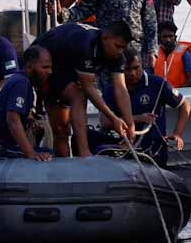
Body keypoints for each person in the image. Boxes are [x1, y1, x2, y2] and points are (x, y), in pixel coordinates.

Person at [32, 20, 134, 158]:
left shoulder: (117, 55)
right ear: (105, 38)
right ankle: (84, 152)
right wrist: (113, 118)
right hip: (47, 61)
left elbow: (121, 89)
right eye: (117, 46)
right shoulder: (87, 45)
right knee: (75, 101)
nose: (119, 52)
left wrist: (130, 123)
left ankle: (78, 155)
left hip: (67, 65)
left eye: (123, 48)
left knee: (64, 129)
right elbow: (88, 88)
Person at [101, 51, 190, 163]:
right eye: (127, 69)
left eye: (136, 68)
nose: (132, 73)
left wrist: (178, 133)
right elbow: (104, 122)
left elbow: (184, 105)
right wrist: (138, 118)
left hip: (155, 152)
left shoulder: (157, 84)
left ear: (142, 65)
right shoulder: (111, 90)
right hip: (124, 152)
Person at [152, 21, 191, 88]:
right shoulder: (154, 54)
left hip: (180, 93)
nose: (168, 40)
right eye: (165, 37)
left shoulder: (184, 54)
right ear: (159, 38)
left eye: (170, 36)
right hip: (159, 94)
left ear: (175, 37)